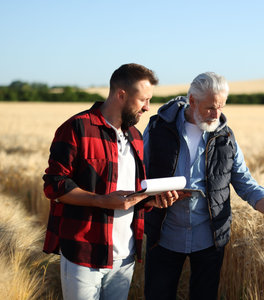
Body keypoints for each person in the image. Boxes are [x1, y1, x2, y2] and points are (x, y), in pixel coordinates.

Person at [143, 72, 264, 300]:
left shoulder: (225, 136)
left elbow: (246, 183)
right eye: (210, 107)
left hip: (209, 239)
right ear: (192, 101)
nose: (216, 114)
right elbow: (139, 173)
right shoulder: (158, 128)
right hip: (164, 235)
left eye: (221, 107)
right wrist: (153, 197)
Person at [42, 63, 182, 300]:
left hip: (124, 255)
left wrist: (151, 201)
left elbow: (129, 194)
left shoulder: (136, 137)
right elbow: (54, 185)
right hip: (84, 253)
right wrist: (101, 201)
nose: (148, 108)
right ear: (121, 95)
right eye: (143, 100)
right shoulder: (77, 127)